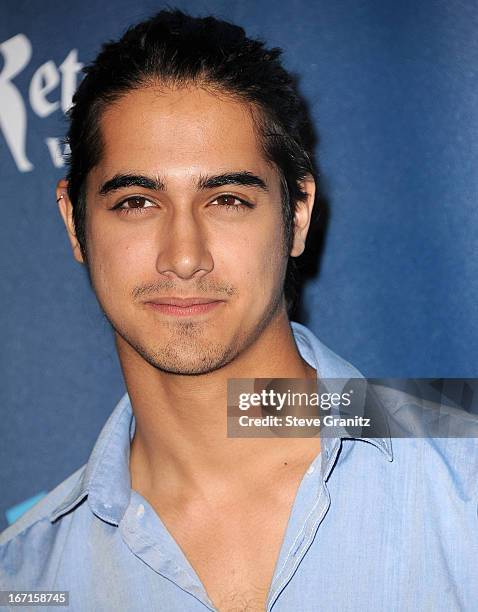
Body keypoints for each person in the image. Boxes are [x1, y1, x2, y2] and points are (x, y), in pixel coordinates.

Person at [1, 8, 477, 612]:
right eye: (136, 202)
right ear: (74, 221)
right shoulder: (26, 579)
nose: (182, 257)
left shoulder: (463, 467)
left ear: (297, 213)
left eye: (226, 199)